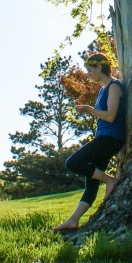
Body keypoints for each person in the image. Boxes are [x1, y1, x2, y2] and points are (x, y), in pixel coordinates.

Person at [51, 52, 125, 232]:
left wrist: (90, 110)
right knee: (91, 180)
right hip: (103, 138)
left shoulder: (114, 87)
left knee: (73, 163)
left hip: (111, 139)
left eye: (90, 70)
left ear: (100, 67)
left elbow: (110, 115)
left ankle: (110, 180)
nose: (89, 74)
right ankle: (73, 220)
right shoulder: (101, 90)